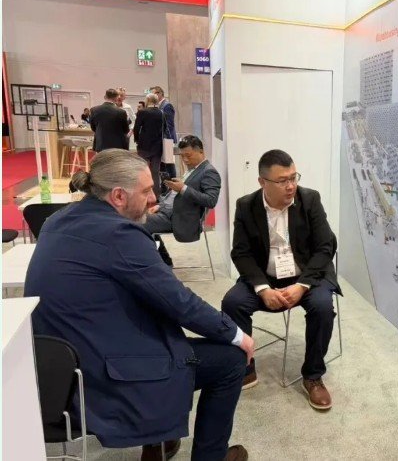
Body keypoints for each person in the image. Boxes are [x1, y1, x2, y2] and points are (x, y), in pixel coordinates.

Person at [27, 149, 252, 461]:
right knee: (230, 360)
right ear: (119, 196)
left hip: (59, 371)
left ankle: (160, 441)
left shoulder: (58, 220)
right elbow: (179, 301)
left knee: (160, 327)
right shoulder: (119, 234)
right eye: (146, 191)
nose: (154, 199)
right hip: (103, 376)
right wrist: (237, 334)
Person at [222, 149, 341, 411]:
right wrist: (263, 288)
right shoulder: (246, 206)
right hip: (266, 277)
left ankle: (313, 375)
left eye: (293, 177)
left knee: (322, 306)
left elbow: (325, 246)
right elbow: (240, 253)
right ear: (262, 182)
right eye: (282, 180)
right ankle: (244, 367)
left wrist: (302, 285)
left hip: (306, 275)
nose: (290, 186)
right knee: (232, 303)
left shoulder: (310, 199)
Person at [145, 135, 220, 266]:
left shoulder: (209, 172)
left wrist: (183, 188)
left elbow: (211, 200)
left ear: (201, 151)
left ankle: (159, 262)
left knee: (140, 223)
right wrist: (160, 206)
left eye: (188, 155)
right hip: (169, 212)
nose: (185, 159)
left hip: (182, 219)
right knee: (137, 219)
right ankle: (163, 260)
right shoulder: (193, 169)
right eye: (182, 156)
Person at [134, 93, 164, 197]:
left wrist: (136, 139)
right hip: (157, 146)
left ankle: (142, 193)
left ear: (147, 100)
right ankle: (156, 195)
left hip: (144, 145)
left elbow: (136, 128)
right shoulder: (161, 112)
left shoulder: (142, 112)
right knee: (155, 171)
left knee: (142, 169)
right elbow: (164, 129)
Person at [150, 85, 177, 178]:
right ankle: (165, 183)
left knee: (169, 163)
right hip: (161, 139)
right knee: (163, 164)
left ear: (160, 93)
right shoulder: (158, 106)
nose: (152, 97)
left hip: (167, 139)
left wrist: (165, 139)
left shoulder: (167, 105)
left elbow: (169, 125)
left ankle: (173, 181)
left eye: (153, 94)